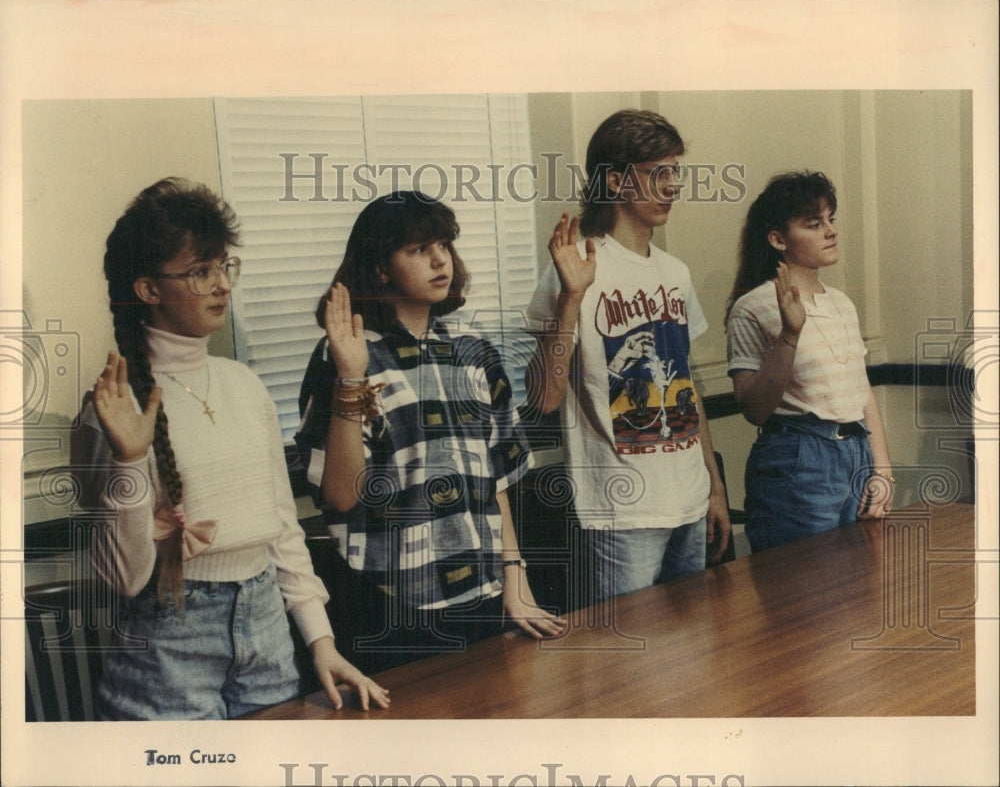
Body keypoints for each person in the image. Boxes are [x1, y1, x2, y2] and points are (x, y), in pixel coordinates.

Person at [74, 178, 389, 719]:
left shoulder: (243, 384)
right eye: (201, 272)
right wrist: (129, 459)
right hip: (169, 651)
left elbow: (282, 529)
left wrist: (321, 641)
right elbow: (126, 578)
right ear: (149, 289)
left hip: (267, 630)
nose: (222, 285)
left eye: (224, 267)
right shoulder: (114, 407)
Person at [295, 190, 566, 673]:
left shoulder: (472, 350)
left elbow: (496, 480)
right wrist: (351, 376)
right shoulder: (346, 353)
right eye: (418, 249)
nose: (440, 259)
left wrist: (515, 580)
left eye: (443, 244)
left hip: (483, 595)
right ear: (380, 268)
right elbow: (338, 495)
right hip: (393, 604)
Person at [525, 109, 731, 605]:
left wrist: (714, 485)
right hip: (624, 510)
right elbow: (542, 398)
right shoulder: (575, 266)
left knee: (694, 655)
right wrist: (571, 299)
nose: (672, 186)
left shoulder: (675, 272)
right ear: (615, 180)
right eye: (657, 173)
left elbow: (687, 385)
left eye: (675, 172)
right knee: (633, 670)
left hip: (688, 496)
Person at [724, 170, 893, 552]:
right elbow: (753, 408)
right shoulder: (753, 307)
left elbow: (860, 387)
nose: (830, 231)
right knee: (804, 592)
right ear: (778, 239)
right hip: (799, 456)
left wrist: (881, 467)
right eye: (814, 224)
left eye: (831, 219)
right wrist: (790, 334)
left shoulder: (841, 303)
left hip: (856, 451)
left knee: (859, 588)